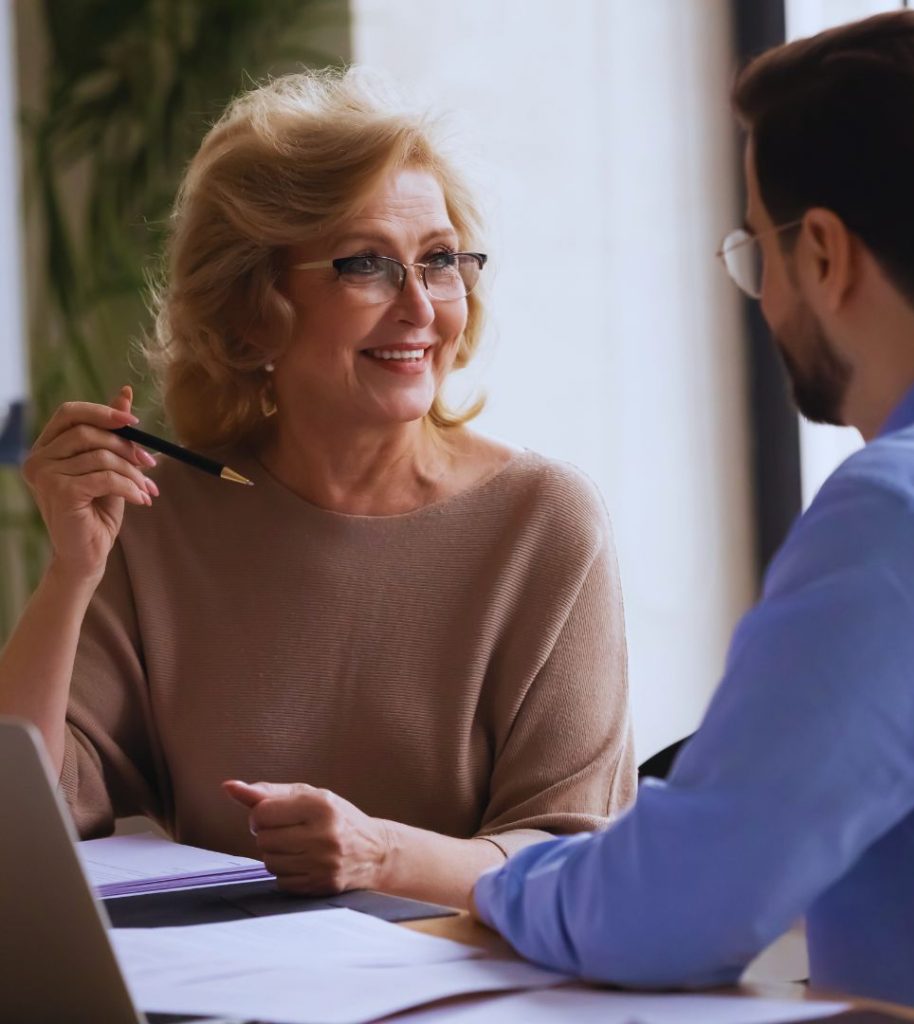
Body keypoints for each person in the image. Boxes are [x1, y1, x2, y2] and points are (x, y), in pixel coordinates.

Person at [471, 11, 914, 1022]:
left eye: (754, 249)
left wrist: (496, 880)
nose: (761, 296)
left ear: (822, 252)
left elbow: (665, 915)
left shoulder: (907, 515)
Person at [0, 69, 635, 910]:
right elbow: (21, 814)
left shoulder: (543, 523)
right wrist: (71, 572)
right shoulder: (160, 516)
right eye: (367, 265)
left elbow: (578, 865)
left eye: (439, 261)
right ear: (252, 312)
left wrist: (381, 854)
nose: (421, 307)